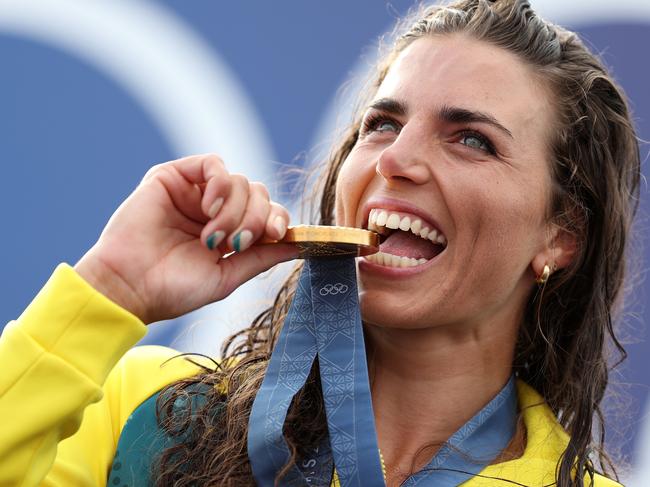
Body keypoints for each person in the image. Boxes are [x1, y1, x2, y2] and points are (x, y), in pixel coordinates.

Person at [0, 0, 639, 485]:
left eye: (471, 139)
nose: (396, 159)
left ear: (561, 237)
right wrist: (111, 287)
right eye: (382, 123)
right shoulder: (145, 413)